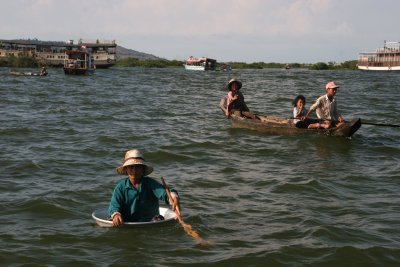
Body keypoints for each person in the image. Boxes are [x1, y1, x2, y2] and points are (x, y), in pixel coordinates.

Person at [108, 149, 180, 226]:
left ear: (143, 169)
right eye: (131, 167)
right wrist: (116, 215)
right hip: (127, 222)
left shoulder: (151, 184)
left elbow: (165, 194)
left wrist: (174, 198)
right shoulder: (121, 187)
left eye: (138, 167)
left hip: (151, 222)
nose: (134, 170)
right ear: (126, 170)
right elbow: (114, 205)